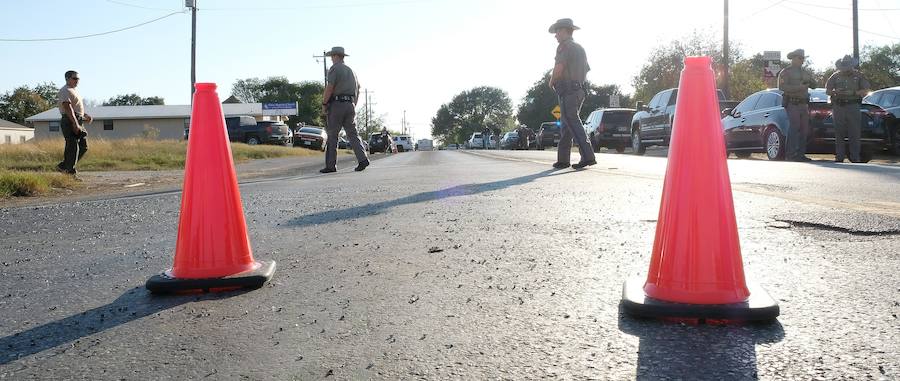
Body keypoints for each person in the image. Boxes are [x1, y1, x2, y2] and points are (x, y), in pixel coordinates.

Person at [548, 18, 596, 169]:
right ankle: (563, 160)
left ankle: (588, 156)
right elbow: (586, 70)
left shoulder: (564, 47)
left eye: (557, 32)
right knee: (566, 124)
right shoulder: (579, 48)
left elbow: (559, 67)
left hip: (568, 90)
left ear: (563, 31)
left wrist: (551, 81)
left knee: (572, 121)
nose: (555, 35)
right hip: (579, 89)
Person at [320, 46, 369, 173]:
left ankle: (331, 165)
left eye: (332, 56)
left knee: (332, 135)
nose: (331, 58)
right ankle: (363, 158)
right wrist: (353, 104)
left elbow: (330, 87)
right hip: (350, 104)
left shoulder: (334, 69)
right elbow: (358, 88)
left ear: (335, 56)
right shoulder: (351, 71)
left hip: (337, 104)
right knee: (353, 134)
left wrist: (324, 103)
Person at [826, 55, 871, 163]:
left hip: (853, 106)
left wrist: (854, 93)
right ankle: (839, 156)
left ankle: (855, 157)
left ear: (852, 65)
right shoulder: (835, 76)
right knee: (839, 132)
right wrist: (835, 91)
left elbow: (866, 89)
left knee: (854, 133)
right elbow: (827, 90)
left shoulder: (859, 75)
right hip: (838, 106)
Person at [777, 49, 816, 162]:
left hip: (804, 104)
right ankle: (790, 154)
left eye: (803, 58)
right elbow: (782, 87)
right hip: (792, 103)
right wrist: (799, 87)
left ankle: (800, 154)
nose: (802, 60)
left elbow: (814, 84)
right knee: (794, 127)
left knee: (804, 129)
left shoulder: (805, 72)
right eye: (800, 58)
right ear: (793, 58)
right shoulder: (786, 72)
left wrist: (810, 82)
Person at [56, 70, 92, 176]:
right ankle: (70, 172)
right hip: (70, 120)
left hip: (77, 118)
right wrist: (75, 123)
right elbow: (67, 107)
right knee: (72, 146)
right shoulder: (65, 90)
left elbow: (76, 107)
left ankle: (64, 166)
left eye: (78, 79)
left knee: (83, 146)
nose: (77, 81)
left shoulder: (73, 90)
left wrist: (85, 115)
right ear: (67, 79)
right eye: (75, 78)